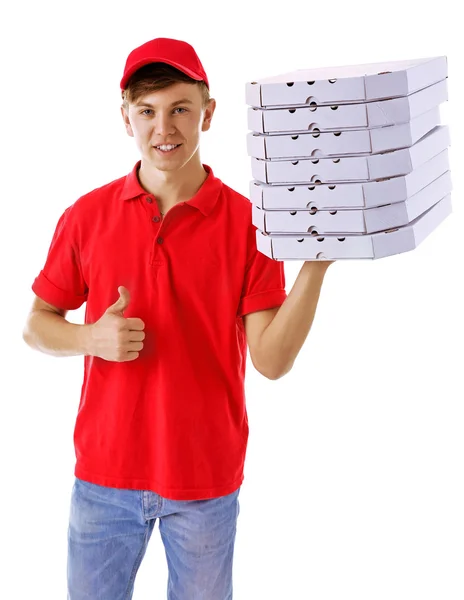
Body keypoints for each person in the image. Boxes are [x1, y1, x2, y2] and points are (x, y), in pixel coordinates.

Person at [22, 37, 333, 600]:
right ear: (126, 120)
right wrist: (90, 336)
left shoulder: (250, 224)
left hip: (205, 479)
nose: (163, 127)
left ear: (208, 114)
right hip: (104, 474)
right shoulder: (85, 216)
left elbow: (271, 361)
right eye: (147, 112)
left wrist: (316, 262)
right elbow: (36, 324)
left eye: (180, 109)